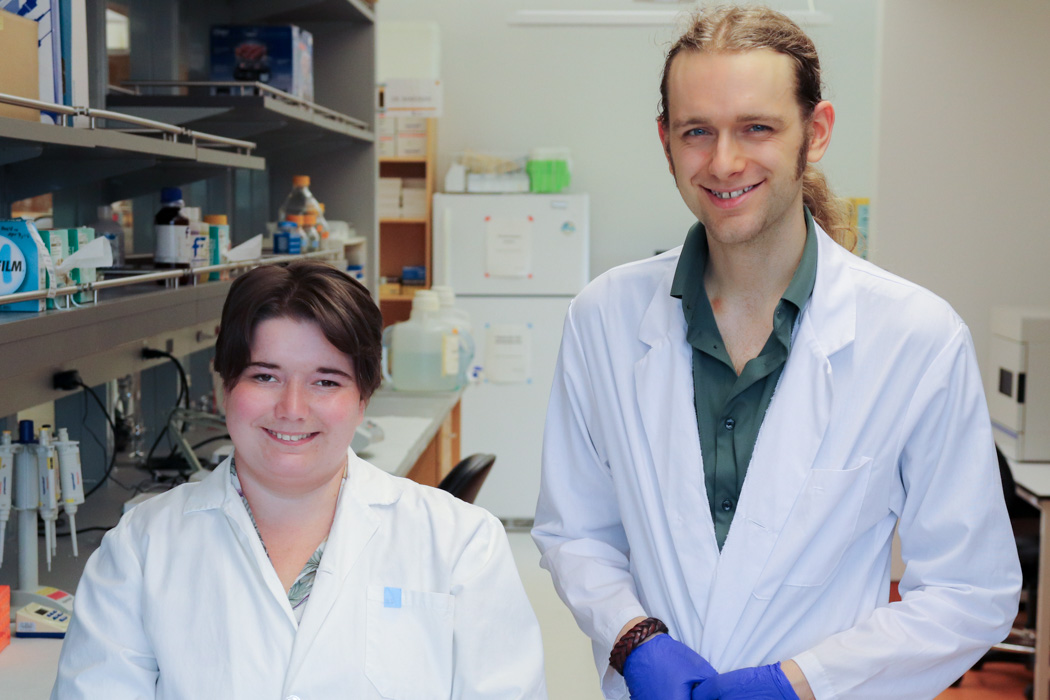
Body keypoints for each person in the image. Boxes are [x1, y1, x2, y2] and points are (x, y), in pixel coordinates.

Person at [532, 6, 1021, 700]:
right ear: (666, 141)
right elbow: (575, 533)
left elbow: (970, 589)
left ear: (814, 132)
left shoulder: (915, 337)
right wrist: (636, 640)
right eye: (696, 131)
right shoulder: (603, 319)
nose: (724, 162)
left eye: (756, 128)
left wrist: (804, 681)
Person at [53, 260, 547, 699]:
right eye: (264, 376)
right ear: (223, 386)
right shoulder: (140, 550)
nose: (292, 409)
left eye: (326, 381)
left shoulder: (462, 542)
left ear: (364, 396)